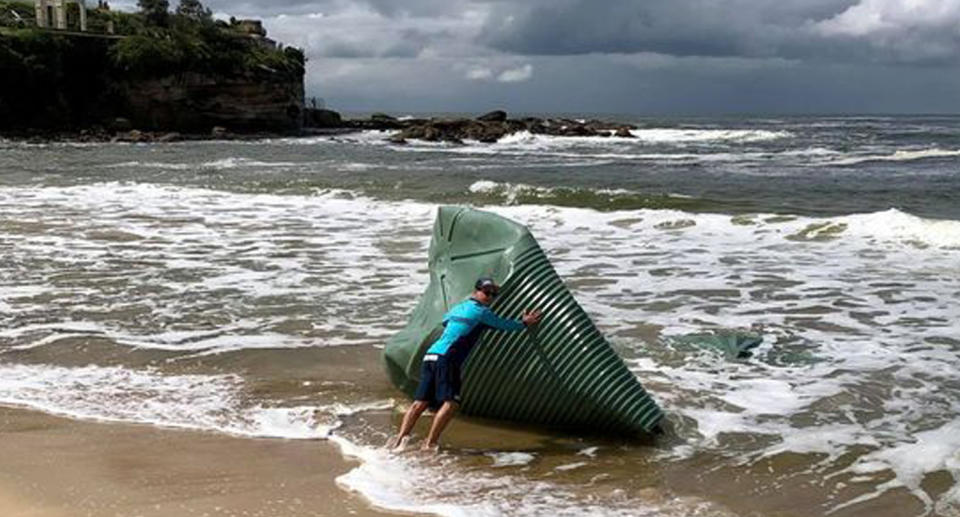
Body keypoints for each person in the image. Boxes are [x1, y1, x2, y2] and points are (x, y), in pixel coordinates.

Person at [389, 277, 541, 451]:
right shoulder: (482, 312)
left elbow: (447, 323)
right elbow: (505, 325)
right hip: (447, 358)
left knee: (420, 402)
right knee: (451, 403)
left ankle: (399, 441)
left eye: (494, 293)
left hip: (430, 355)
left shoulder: (457, 308)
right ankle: (430, 444)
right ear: (476, 291)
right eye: (487, 292)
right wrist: (524, 323)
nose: (490, 296)